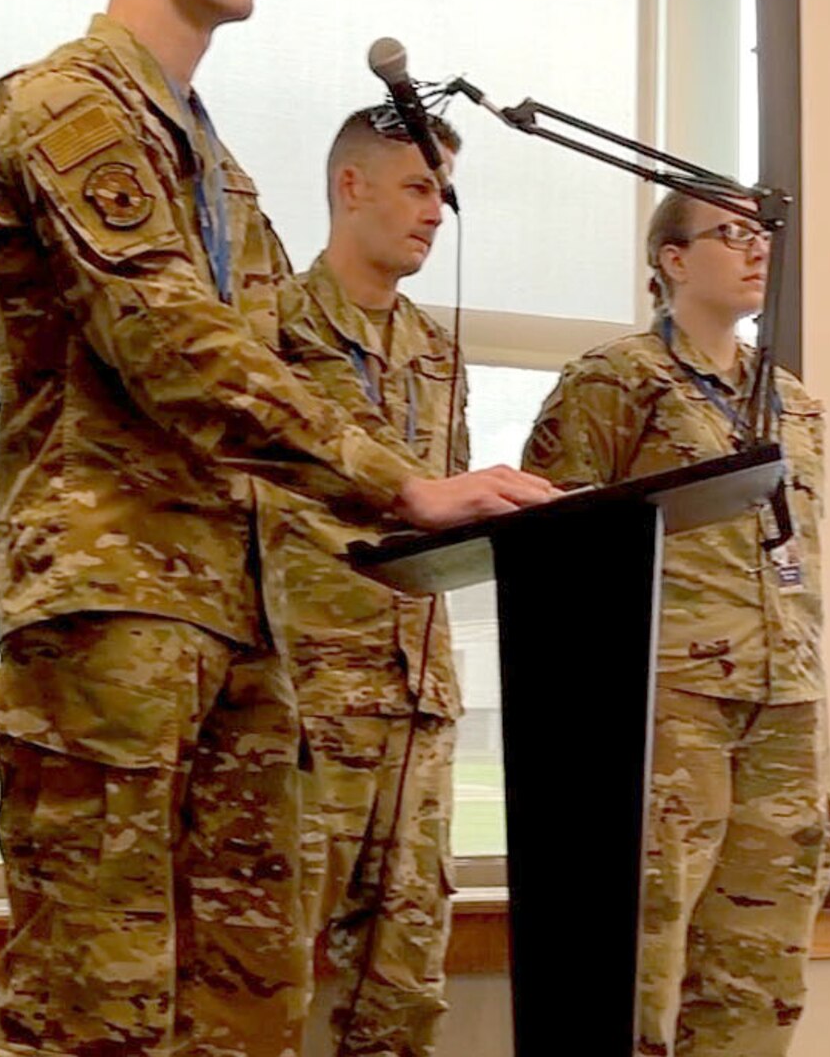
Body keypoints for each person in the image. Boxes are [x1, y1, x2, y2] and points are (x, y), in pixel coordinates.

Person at [0, 0, 554, 1057]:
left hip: (249, 617)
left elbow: (292, 358)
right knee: (97, 1012)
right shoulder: (68, 107)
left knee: (249, 1009)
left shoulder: (218, 170)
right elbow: (178, 349)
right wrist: (401, 486)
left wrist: (468, 500)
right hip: (117, 608)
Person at [523, 191, 830, 1057]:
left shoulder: (796, 404)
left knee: (762, 967)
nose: (755, 250)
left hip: (787, 704)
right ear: (671, 260)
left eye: (761, 234)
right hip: (672, 701)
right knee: (642, 948)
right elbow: (555, 547)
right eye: (730, 234)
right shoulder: (615, 379)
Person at [265, 105, 472, 1057]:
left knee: (402, 991)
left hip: (417, 699)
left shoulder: (438, 351)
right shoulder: (265, 327)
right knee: (260, 972)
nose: (438, 213)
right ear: (352, 188)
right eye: (421, 187)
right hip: (299, 696)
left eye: (446, 193)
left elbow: (450, 505)